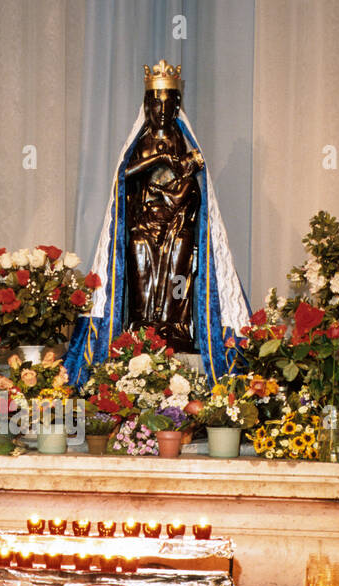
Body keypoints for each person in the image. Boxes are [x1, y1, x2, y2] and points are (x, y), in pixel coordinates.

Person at [66, 60, 249, 385]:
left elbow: (196, 189)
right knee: (139, 266)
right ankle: (143, 325)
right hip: (143, 225)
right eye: (155, 103)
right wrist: (158, 160)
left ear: (176, 105)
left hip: (178, 224)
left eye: (168, 103)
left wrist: (175, 189)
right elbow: (124, 178)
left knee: (179, 265)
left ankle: (173, 327)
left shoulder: (184, 143)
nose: (161, 110)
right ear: (147, 106)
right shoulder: (140, 143)